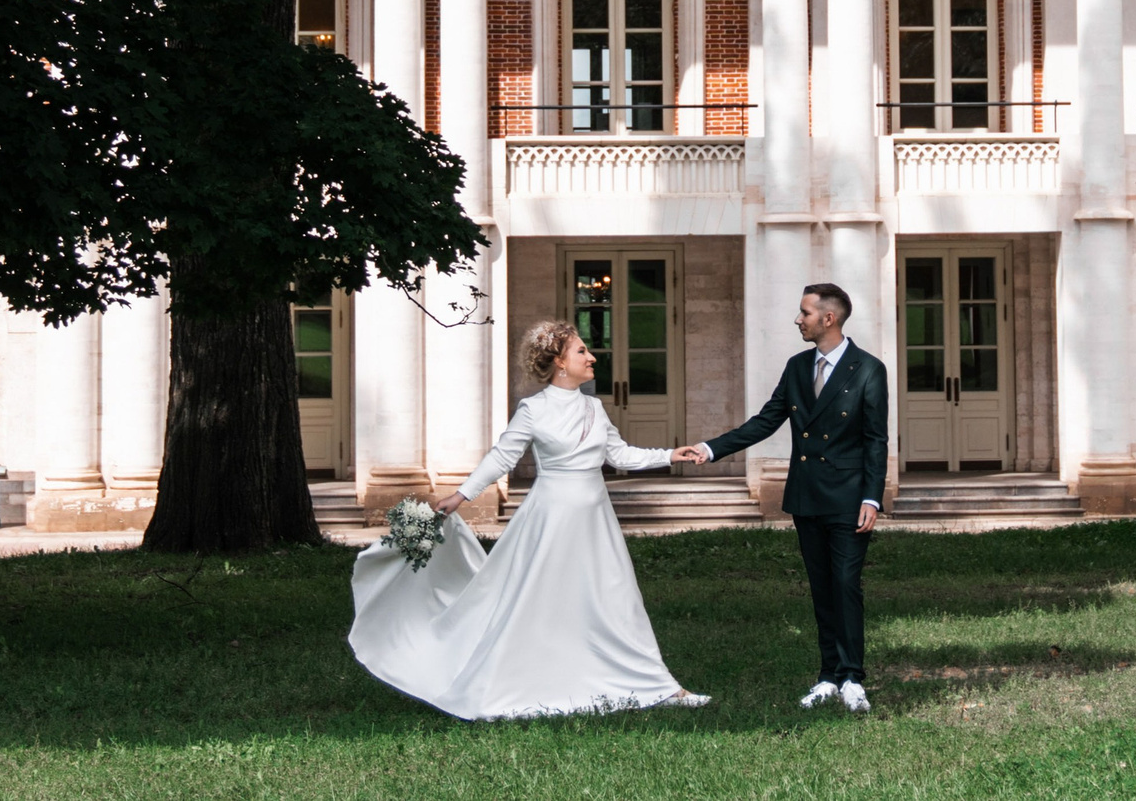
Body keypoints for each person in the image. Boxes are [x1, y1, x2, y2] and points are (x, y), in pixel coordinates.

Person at [348, 319, 709, 719]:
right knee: (539, 599)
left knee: (617, 597)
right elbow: (502, 456)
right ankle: (524, 678)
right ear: (558, 362)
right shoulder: (533, 409)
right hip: (549, 519)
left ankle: (657, 685)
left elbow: (619, 455)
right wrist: (461, 495)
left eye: (588, 351)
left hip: (595, 521)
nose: (592, 357)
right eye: (581, 351)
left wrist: (668, 455)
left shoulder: (593, 406)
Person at [674, 282, 888, 712]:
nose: (797, 319)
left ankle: (853, 678)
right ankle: (828, 675)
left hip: (848, 498)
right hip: (807, 496)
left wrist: (872, 497)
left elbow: (875, 439)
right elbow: (766, 421)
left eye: (804, 313)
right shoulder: (796, 367)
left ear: (828, 318)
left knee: (846, 585)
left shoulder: (868, 368)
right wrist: (711, 448)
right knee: (821, 586)